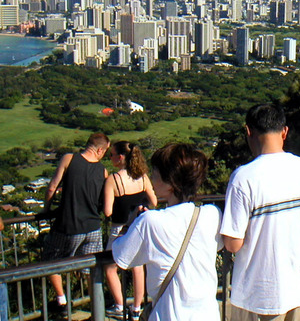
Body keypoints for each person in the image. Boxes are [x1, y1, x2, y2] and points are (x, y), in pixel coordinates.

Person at [220, 103, 300, 320]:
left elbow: (233, 244)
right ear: (284, 131)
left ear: (248, 131)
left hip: (259, 295)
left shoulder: (243, 177)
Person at [112, 143, 222, 321]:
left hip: (170, 315)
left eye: (155, 175)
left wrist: (130, 224)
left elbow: (120, 255)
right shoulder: (212, 214)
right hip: (208, 314)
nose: (152, 180)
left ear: (171, 184)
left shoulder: (150, 221)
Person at [42, 133, 110, 316]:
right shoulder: (103, 171)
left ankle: (62, 301)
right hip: (94, 226)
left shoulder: (69, 159)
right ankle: (97, 309)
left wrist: (46, 209)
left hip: (68, 225)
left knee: (50, 260)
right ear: (100, 150)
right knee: (91, 268)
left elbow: (52, 187)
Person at [104, 141, 157, 320]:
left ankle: (119, 306)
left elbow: (107, 211)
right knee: (137, 267)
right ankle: (136, 308)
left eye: (111, 155)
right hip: (138, 227)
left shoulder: (113, 180)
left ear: (120, 158)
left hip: (119, 228)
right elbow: (154, 201)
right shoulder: (142, 176)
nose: (110, 158)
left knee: (110, 267)